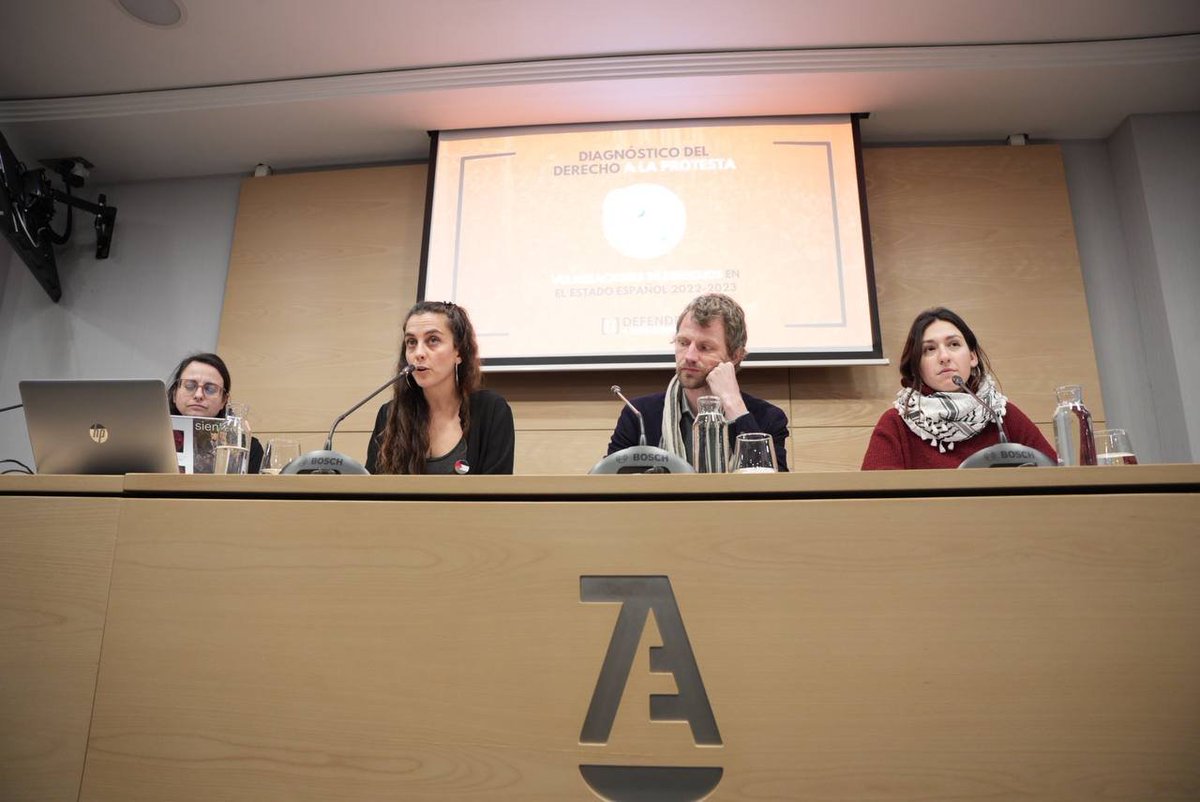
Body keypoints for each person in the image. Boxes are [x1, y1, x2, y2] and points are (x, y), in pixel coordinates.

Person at [606, 293, 790, 470]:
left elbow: (772, 491)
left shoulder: (767, 419)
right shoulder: (639, 415)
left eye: (705, 347)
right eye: (683, 343)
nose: (690, 356)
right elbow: (606, 485)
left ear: (735, 356)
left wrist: (734, 405)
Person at [861, 307, 1056, 470]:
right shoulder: (896, 423)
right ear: (916, 366)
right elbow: (876, 500)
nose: (944, 356)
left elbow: (1054, 476)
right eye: (930, 349)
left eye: (953, 344)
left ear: (972, 357)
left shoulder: (1000, 415)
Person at [367, 301, 515, 475]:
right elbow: (372, 490)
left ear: (458, 352)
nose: (419, 353)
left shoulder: (491, 411)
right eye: (411, 342)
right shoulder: (389, 415)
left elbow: (497, 494)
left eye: (433, 340)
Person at [168, 352, 264, 473]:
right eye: (190, 385)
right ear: (174, 394)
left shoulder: (249, 448)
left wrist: (237, 459)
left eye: (210, 389)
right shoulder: (150, 439)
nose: (198, 395)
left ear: (224, 400)